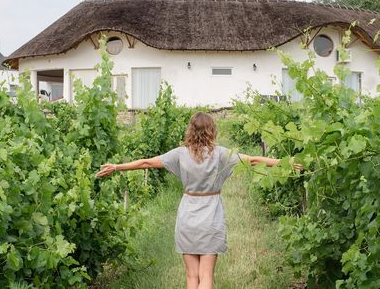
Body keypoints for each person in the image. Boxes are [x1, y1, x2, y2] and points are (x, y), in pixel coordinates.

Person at [95, 112, 296, 289]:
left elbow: (147, 162)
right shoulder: (220, 154)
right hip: (212, 217)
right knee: (206, 275)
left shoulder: (180, 154)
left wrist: (116, 167)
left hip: (188, 217)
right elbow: (253, 160)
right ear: (212, 130)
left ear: (190, 130)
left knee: (191, 276)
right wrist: (286, 163)